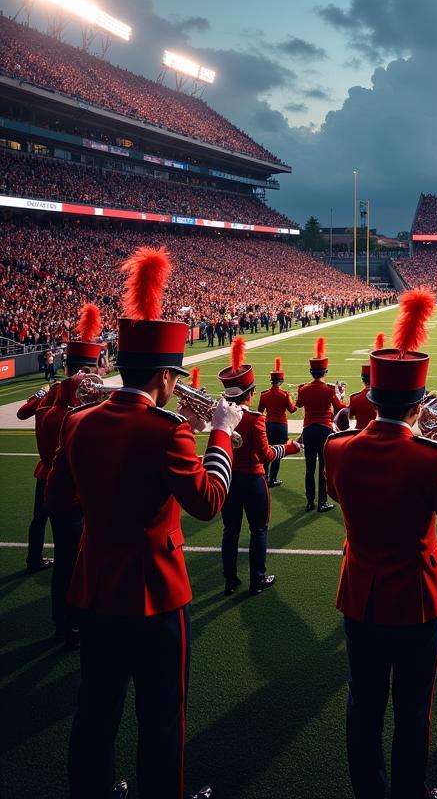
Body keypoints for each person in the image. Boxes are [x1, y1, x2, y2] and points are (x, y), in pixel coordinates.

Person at [45, 245, 243, 799]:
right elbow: (207, 501)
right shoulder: (167, 430)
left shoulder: (79, 423)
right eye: (174, 378)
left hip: (97, 587)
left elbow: (60, 498)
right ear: (161, 375)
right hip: (156, 594)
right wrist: (222, 431)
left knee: (95, 711)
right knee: (161, 715)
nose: (178, 387)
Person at [323, 290, 437, 799]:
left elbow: (331, 489)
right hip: (416, 598)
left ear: (374, 396)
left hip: (360, 595)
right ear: (418, 401)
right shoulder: (432, 457)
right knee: (413, 709)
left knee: (362, 705)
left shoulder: (338, 449)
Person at [37, 303, 104, 647]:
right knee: (70, 564)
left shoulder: (53, 407)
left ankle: (65, 621)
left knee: (68, 563)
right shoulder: (71, 415)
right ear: (83, 375)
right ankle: (69, 624)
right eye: (94, 372)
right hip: (70, 499)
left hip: (58, 491)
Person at [218, 338, 301, 597]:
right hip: (253, 480)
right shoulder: (254, 420)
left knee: (230, 530)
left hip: (229, 479)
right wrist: (289, 448)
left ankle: (230, 580)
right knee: (259, 530)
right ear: (250, 393)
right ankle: (257, 579)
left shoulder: (219, 415)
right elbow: (265, 455)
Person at [296, 337, 342, 513]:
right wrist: (339, 394)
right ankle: (322, 502)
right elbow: (339, 408)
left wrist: (301, 389)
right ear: (326, 371)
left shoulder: (305, 389)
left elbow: (298, 405)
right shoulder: (329, 389)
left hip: (308, 430)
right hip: (325, 430)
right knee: (323, 468)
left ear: (311, 372)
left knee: (309, 468)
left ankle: (310, 502)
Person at [20, 380, 58, 573]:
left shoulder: (42, 409)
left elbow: (21, 413)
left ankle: (33, 559)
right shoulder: (68, 413)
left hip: (44, 472)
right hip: (65, 474)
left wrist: (40, 394)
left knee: (39, 519)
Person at [257, 357, 297, 487]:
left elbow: (259, 411)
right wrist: (294, 400)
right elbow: (292, 410)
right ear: (281, 381)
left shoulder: (264, 395)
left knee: (267, 451)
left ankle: (265, 477)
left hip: (268, 425)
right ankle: (273, 479)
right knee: (278, 452)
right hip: (281, 426)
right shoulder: (284, 395)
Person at [347, 334, 384, 432]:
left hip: (360, 438)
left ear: (362, 379)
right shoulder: (383, 398)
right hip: (378, 437)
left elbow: (348, 417)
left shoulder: (355, 398)